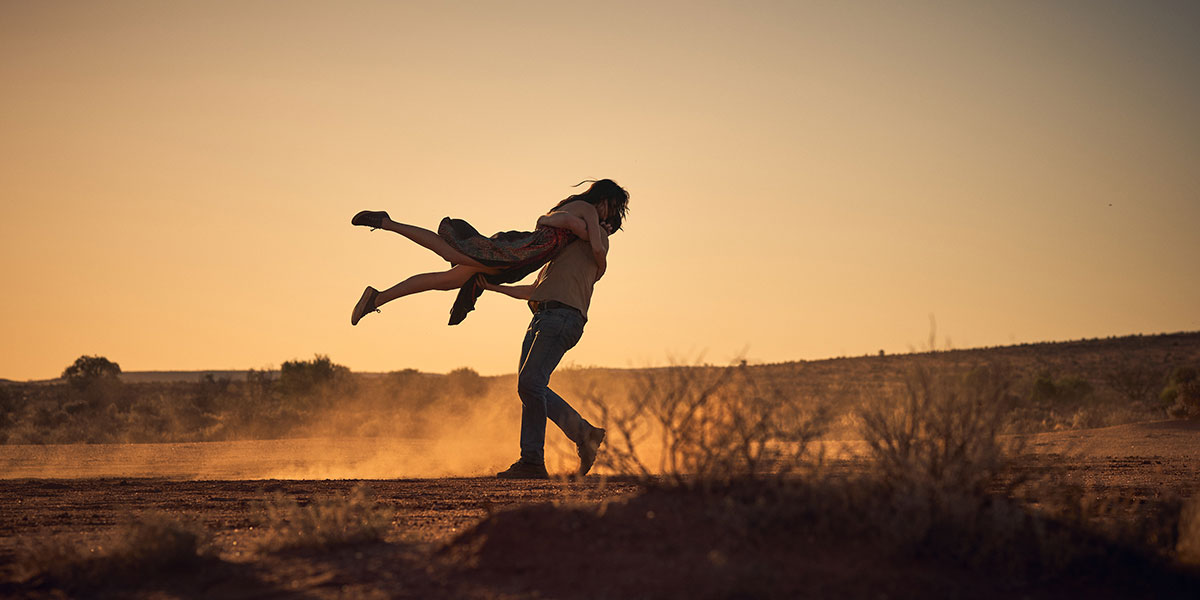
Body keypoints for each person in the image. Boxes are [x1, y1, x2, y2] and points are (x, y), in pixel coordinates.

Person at [485, 185, 628, 479]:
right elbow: (534, 290)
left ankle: (548, 452)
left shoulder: (597, 236)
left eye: (611, 212)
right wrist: (491, 287)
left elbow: (568, 222)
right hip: (543, 315)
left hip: (562, 317)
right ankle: (542, 454)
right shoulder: (562, 254)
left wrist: (545, 219)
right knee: (530, 388)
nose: (609, 216)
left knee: (530, 384)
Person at [349, 180, 626, 326]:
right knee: (453, 254)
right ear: (605, 200)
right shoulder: (588, 210)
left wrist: (548, 220)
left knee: (445, 281)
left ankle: (377, 298)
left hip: (520, 258)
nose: (608, 219)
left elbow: (554, 221)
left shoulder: (575, 212)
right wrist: (600, 267)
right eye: (612, 211)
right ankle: (386, 222)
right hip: (517, 252)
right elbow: (593, 243)